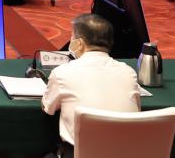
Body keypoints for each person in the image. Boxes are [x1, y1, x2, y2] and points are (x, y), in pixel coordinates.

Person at [41, 14, 141, 158]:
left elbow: (48, 108)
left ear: (79, 43)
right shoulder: (128, 72)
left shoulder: (62, 72)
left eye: (72, 36)